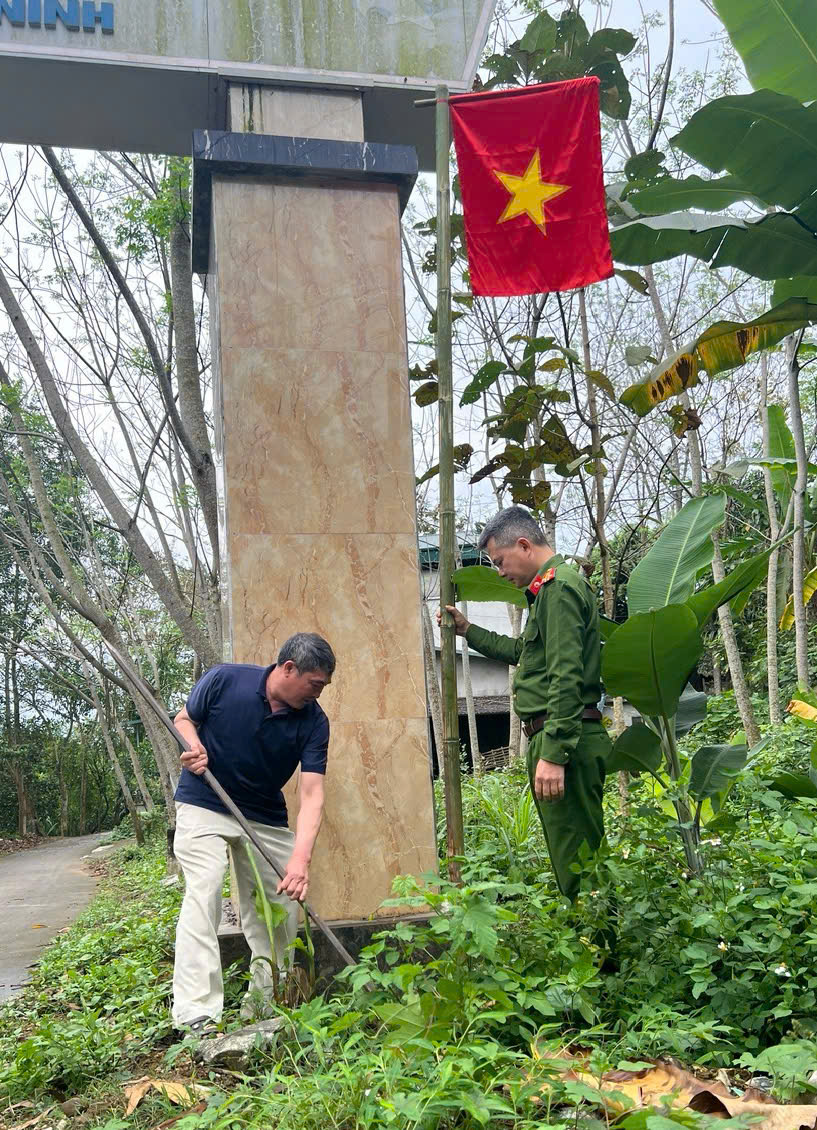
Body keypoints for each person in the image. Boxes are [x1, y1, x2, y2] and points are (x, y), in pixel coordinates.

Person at [441, 506, 610, 900]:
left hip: (565, 739)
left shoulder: (559, 588)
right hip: (561, 736)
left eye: (500, 561)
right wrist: (468, 631)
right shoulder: (549, 592)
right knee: (574, 856)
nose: (499, 572)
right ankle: (596, 946)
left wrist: (554, 754)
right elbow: (525, 652)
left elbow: (566, 677)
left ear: (523, 544)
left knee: (580, 865)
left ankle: (602, 956)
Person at [170, 632, 335, 1033]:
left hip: (263, 813)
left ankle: (263, 1009)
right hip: (205, 799)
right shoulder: (226, 680)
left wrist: (300, 860)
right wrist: (192, 745)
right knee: (205, 889)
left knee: (282, 912)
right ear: (289, 668)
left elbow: (312, 794)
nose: (318, 695)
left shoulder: (314, 722)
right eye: (315, 685)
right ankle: (196, 1012)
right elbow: (184, 718)